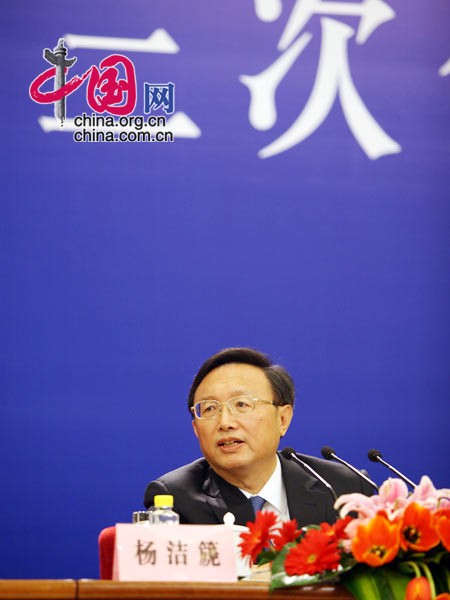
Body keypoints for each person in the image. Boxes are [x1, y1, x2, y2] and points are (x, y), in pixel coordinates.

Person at [143, 347, 373, 527]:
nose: (225, 423)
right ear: (195, 428)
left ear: (282, 419)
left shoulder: (342, 488)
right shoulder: (175, 500)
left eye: (242, 404)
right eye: (210, 409)